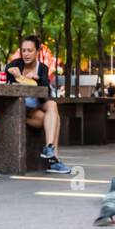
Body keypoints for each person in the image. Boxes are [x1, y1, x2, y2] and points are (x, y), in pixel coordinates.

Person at [4, 36, 71, 174]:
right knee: (55, 118)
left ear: (37, 51)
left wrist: (37, 79)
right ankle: (54, 160)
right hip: (18, 109)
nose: (26, 54)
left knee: (52, 105)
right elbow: (7, 88)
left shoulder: (42, 68)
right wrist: (18, 77)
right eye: (24, 50)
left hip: (35, 106)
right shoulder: (13, 66)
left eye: (30, 50)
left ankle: (50, 150)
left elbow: (45, 90)